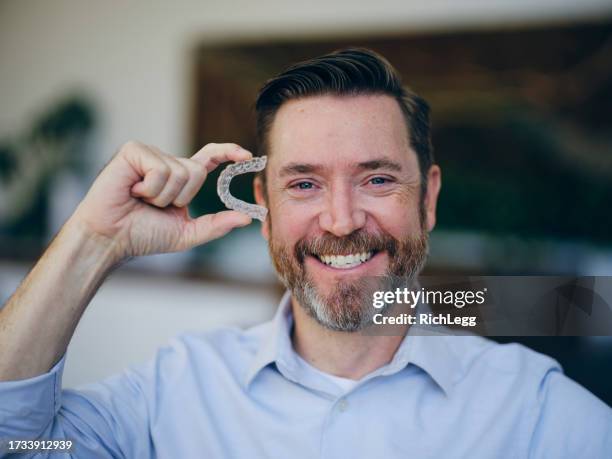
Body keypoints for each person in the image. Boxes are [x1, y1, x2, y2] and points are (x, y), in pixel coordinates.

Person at [0, 48, 610, 458]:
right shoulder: (172, 393)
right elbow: (19, 445)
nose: (341, 221)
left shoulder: (535, 413)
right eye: (304, 184)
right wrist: (93, 242)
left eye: (376, 179)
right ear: (263, 207)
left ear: (428, 201)